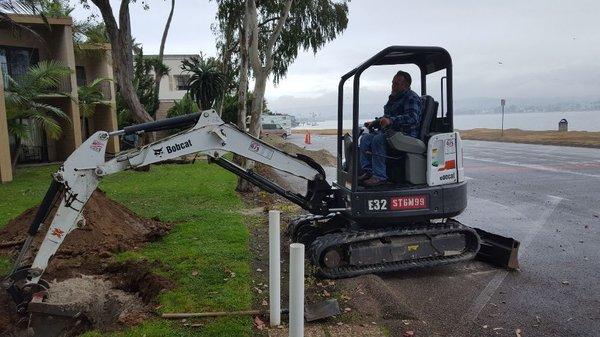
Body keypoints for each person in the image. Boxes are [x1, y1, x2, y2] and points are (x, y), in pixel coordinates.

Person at [359, 71, 422, 187]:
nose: (393, 86)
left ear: (405, 85)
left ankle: (380, 177)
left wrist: (391, 121)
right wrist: (376, 122)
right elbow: (387, 118)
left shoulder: (411, 97)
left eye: (396, 83)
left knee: (378, 139)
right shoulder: (394, 98)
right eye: (392, 83)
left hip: (406, 134)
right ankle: (368, 171)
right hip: (391, 133)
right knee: (365, 138)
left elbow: (413, 118)